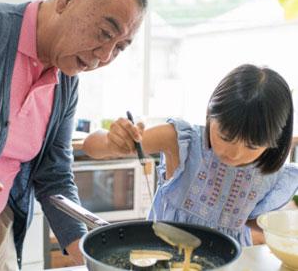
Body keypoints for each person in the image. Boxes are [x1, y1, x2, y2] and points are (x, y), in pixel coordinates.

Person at [0, 0, 147, 269]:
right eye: (105, 33)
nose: (104, 56)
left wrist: (91, 253)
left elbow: (53, 174)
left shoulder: (66, 82)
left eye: (119, 47)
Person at [83, 64, 298, 246]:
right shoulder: (181, 142)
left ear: (274, 142)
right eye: (225, 136)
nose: (235, 153)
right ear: (210, 114)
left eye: (252, 146)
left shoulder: (270, 173)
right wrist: (113, 141)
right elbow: (91, 146)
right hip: (166, 254)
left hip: (232, 262)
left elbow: (253, 222)